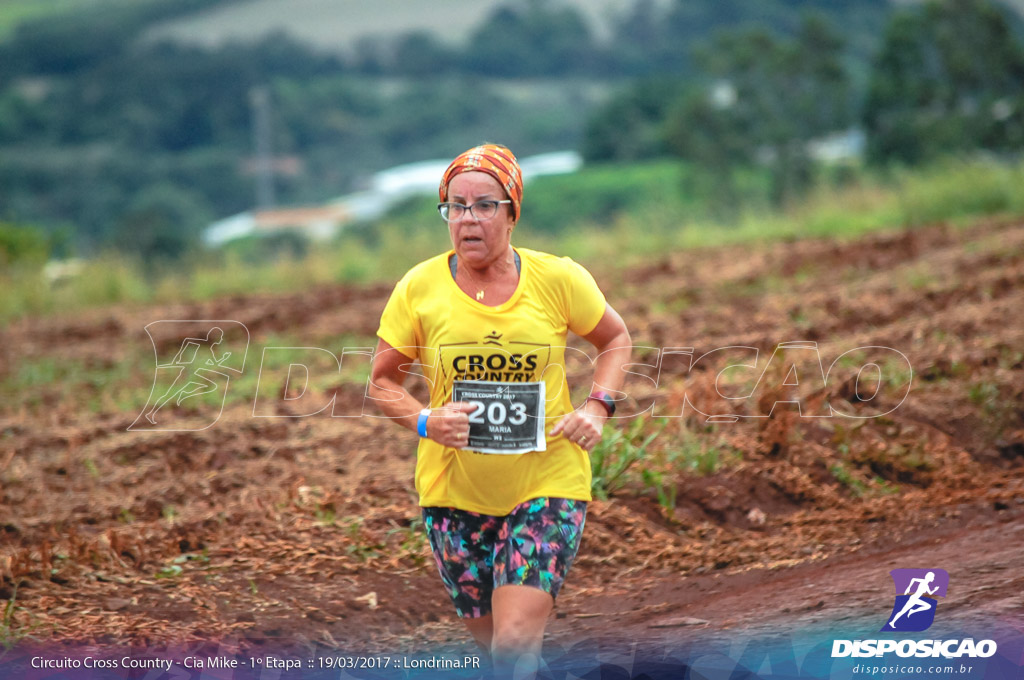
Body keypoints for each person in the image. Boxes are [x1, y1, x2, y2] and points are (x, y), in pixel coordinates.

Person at [368, 144, 631, 678]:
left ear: (513, 212)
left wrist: (598, 408)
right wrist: (425, 421)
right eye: (456, 206)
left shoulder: (557, 279)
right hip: (452, 496)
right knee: (499, 655)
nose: (468, 219)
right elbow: (380, 384)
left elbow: (616, 339)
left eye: (485, 205)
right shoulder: (418, 289)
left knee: (513, 643)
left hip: (547, 483)